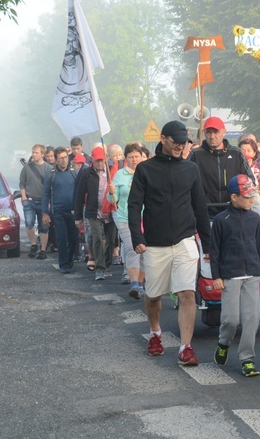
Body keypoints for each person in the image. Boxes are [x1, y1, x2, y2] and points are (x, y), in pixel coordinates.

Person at [128, 120, 211, 366]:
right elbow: (134, 206)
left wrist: (207, 245)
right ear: (163, 139)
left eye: (184, 142)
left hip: (185, 241)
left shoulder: (191, 170)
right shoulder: (145, 169)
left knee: (187, 293)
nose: (180, 146)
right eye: (175, 141)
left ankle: (186, 347)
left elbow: (200, 208)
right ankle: (155, 333)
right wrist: (137, 237)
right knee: (153, 296)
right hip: (154, 244)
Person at [211, 175, 260, 377]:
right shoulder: (220, 220)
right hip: (229, 275)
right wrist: (216, 276)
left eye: (253, 195)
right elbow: (215, 250)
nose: (252, 199)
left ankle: (247, 358)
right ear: (234, 197)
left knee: (252, 317)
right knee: (231, 319)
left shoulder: (254, 218)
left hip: (252, 273)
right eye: (247, 196)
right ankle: (223, 343)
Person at [189, 116, 256, 220]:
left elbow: (250, 181)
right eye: (208, 132)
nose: (212, 136)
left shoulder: (237, 153)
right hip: (205, 214)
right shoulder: (195, 155)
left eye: (216, 132)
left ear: (224, 132)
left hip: (234, 214)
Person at [108, 143, 146, 298]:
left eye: (136, 156)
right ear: (126, 158)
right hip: (126, 217)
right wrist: (111, 192)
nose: (134, 160)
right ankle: (134, 284)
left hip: (146, 218)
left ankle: (141, 284)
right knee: (132, 248)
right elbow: (112, 199)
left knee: (144, 252)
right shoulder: (120, 175)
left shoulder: (147, 172)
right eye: (130, 157)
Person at [74, 146, 115, 280]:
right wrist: (78, 216)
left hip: (110, 210)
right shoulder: (87, 174)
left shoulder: (110, 173)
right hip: (94, 212)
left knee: (111, 239)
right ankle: (100, 268)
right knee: (97, 238)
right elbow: (79, 195)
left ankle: (107, 264)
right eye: (97, 160)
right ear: (92, 160)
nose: (99, 163)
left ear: (105, 160)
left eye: (102, 160)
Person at [41, 147, 79, 274]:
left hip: (73, 211)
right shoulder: (51, 174)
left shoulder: (74, 172)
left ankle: (69, 259)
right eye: (61, 158)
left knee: (74, 239)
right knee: (62, 238)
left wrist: (78, 209)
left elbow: (80, 192)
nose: (64, 160)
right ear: (56, 160)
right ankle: (63, 264)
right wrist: (45, 212)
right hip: (58, 212)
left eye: (65, 157)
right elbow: (45, 194)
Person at [19, 144, 51, 259]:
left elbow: (52, 186)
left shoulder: (48, 168)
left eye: (36, 152)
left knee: (44, 226)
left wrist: (49, 202)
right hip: (30, 200)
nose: (34, 154)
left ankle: (43, 249)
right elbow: (22, 183)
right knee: (29, 223)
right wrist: (24, 197)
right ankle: (33, 244)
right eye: (33, 152)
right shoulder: (27, 167)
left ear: (42, 154)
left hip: (43, 201)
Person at [238, 137, 260, 223]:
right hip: (240, 211)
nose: (246, 153)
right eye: (243, 151)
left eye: (249, 150)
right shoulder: (235, 168)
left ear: (254, 153)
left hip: (259, 211)